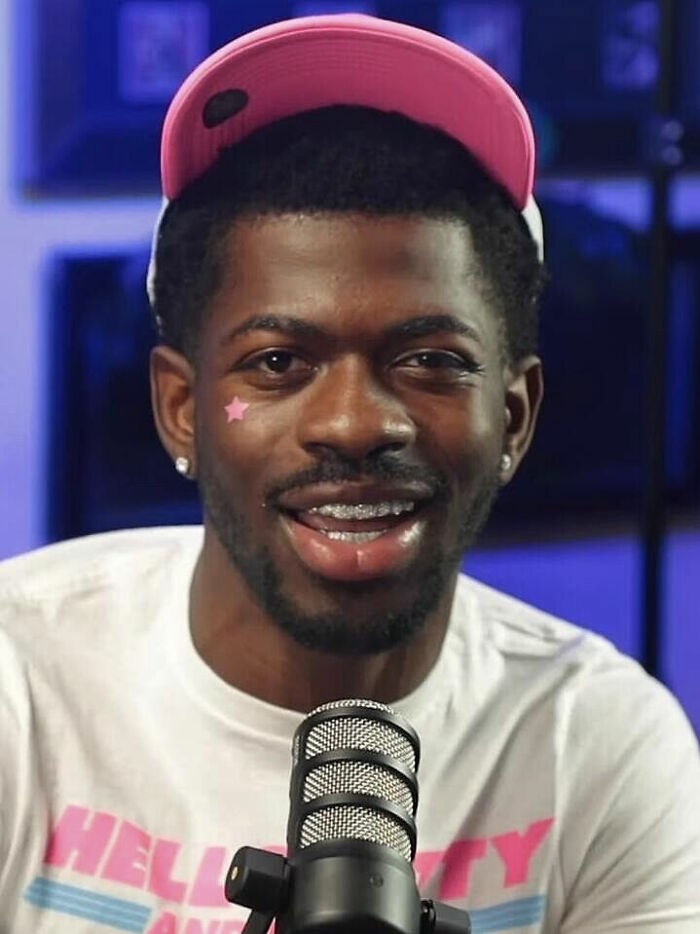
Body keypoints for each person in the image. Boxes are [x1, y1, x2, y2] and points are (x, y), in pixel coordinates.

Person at [1, 13, 698, 934]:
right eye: (280, 363)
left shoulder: (601, 745)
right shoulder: (23, 681)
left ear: (515, 419)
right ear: (183, 408)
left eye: (432, 360)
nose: (356, 424)